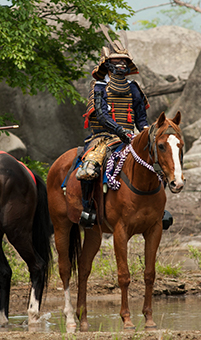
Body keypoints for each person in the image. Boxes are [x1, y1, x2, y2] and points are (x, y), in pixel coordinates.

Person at [77, 38, 149, 229]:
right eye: (117, 61)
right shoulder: (99, 86)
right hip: (103, 138)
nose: (122, 64)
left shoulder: (134, 87)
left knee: (157, 161)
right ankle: (87, 209)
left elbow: (141, 117)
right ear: (107, 64)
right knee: (89, 168)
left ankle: (158, 208)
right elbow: (100, 115)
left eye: (124, 61)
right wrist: (119, 131)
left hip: (131, 137)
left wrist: (146, 132)